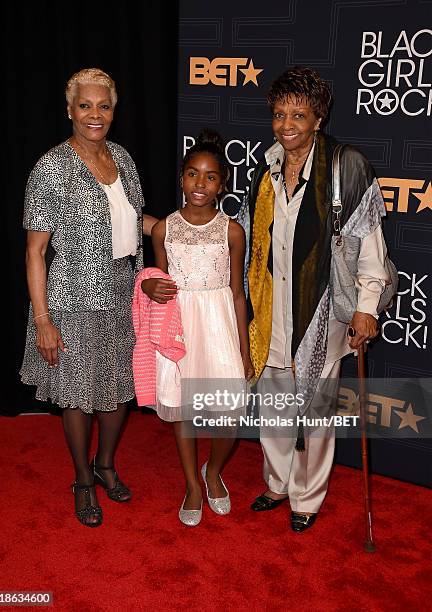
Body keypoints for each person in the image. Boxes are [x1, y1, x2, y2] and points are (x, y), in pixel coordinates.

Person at [238, 66, 390, 532]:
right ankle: (278, 483)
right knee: (275, 404)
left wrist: (366, 308)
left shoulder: (347, 166)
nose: (287, 125)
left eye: (298, 114)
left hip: (323, 311)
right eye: (280, 114)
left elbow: (370, 246)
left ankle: (307, 497)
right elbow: (248, 243)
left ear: (318, 118)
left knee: (317, 410)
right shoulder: (264, 172)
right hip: (273, 310)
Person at [20, 68, 157, 527]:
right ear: (69, 110)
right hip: (72, 299)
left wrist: (176, 228)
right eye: (85, 105)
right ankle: (82, 479)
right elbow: (36, 251)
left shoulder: (123, 158)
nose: (94, 114)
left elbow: (134, 220)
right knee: (78, 397)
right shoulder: (51, 167)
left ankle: (105, 464)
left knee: (118, 391)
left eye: (103, 106)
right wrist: (43, 320)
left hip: (122, 295)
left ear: (114, 111)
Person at [142, 129, 254, 526]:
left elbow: (238, 293)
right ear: (181, 178)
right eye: (192, 174)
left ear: (222, 184)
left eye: (209, 176)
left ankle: (213, 471)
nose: (200, 184)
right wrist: (148, 284)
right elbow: (155, 280)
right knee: (183, 407)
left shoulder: (233, 231)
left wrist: (244, 350)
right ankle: (191, 483)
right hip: (179, 327)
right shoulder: (163, 229)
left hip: (220, 323)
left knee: (229, 414)